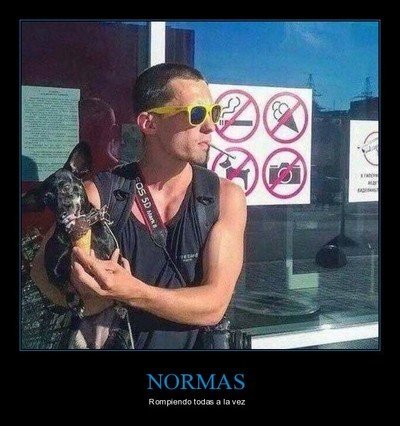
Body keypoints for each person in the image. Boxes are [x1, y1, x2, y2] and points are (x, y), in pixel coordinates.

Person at [31, 63, 247, 349]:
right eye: (196, 114)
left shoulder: (224, 197)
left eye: (214, 112)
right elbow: (41, 273)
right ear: (149, 123)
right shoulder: (101, 194)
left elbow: (214, 305)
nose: (210, 126)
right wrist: (83, 297)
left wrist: (130, 291)